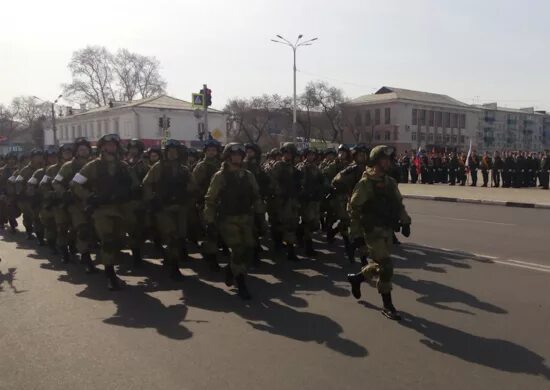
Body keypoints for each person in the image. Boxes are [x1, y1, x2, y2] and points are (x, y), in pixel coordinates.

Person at [346, 145, 411, 321]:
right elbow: (354, 209)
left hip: (387, 230)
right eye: (384, 159)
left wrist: (405, 221)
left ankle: (358, 278)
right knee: (387, 266)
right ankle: (388, 305)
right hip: (372, 231)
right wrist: (356, 234)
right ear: (376, 161)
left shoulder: (389, 182)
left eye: (389, 159)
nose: (388, 162)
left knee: (380, 266)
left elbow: (398, 204)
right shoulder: (366, 183)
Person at [204, 143, 265, 299]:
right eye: (233, 154)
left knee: (249, 249)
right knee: (238, 250)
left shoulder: (248, 175)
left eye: (239, 154)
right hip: (227, 219)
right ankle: (241, 283)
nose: (237, 157)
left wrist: (260, 218)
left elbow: (257, 197)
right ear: (228, 156)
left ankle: (231, 270)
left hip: (246, 218)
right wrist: (209, 221)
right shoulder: (220, 176)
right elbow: (210, 200)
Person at [71, 134, 132, 290]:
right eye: (108, 145)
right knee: (108, 241)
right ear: (102, 148)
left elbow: (135, 185)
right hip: (101, 210)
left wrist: (128, 193)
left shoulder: (123, 166)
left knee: (119, 242)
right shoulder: (93, 166)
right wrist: (90, 197)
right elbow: (75, 184)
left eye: (113, 145)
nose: (111, 147)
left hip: (120, 210)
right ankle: (110, 276)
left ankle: (111, 270)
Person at [143, 139, 196, 281]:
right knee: (172, 236)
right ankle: (174, 267)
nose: (173, 154)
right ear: (165, 153)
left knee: (180, 236)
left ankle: (170, 258)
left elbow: (193, 185)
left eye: (175, 151)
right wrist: (152, 200)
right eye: (170, 151)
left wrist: (187, 194)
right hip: (164, 208)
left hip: (180, 207)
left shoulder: (183, 169)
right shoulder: (158, 167)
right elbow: (147, 184)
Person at [52, 138, 94, 268]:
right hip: (73, 203)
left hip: (91, 202)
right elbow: (56, 182)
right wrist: (64, 194)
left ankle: (78, 249)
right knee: (77, 229)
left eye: (86, 149)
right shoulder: (68, 166)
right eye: (80, 149)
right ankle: (83, 258)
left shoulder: (94, 164)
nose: (83, 151)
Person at [269, 142, 302, 261]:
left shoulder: (294, 168)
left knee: (292, 224)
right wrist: (280, 192)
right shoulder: (279, 165)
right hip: (281, 200)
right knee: (282, 224)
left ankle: (288, 248)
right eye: (286, 153)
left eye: (290, 153)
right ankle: (285, 248)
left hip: (292, 200)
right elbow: (273, 181)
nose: (288, 156)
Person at [123, 138, 150, 267]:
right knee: (132, 229)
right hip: (128, 202)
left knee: (144, 228)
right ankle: (136, 255)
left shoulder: (145, 165)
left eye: (136, 149)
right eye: (131, 149)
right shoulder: (123, 165)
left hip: (142, 201)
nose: (133, 151)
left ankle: (138, 249)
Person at [297, 147, 324, 256]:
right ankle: (308, 247)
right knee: (308, 222)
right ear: (305, 156)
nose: (311, 156)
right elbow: (299, 183)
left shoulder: (316, 167)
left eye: (313, 154)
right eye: (309, 155)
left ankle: (299, 233)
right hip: (306, 199)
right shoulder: (302, 167)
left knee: (313, 223)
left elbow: (320, 181)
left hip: (314, 199)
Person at [15, 149, 45, 240]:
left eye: (40, 157)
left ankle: (40, 235)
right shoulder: (25, 170)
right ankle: (29, 231)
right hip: (27, 198)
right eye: (37, 157)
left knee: (39, 217)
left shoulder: (44, 168)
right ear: (32, 158)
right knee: (28, 216)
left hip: (40, 196)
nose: (39, 159)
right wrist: (23, 193)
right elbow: (18, 182)